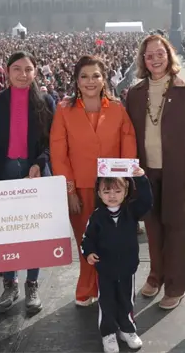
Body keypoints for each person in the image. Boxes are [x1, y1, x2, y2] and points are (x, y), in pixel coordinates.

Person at [124, 34, 185, 310]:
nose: (156, 59)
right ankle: (155, 277)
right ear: (143, 60)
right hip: (146, 173)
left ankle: (175, 285)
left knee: (176, 230)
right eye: (150, 55)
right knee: (153, 228)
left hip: (178, 174)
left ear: (169, 56)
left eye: (160, 53)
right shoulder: (135, 94)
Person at [50, 55, 137, 307]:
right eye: (84, 76)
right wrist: (69, 190)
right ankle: (87, 286)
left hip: (112, 189)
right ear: (76, 80)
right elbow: (58, 152)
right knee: (85, 241)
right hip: (80, 188)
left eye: (96, 76)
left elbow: (128, 145)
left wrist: (124, 183)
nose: (90, 81)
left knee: (113, 240)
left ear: (104, 78)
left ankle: (109, 286)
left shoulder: (118, 108)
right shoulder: (63, 109)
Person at [0, 51, 55, 315]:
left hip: (34, 169)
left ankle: (31, 284)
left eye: (28, 69)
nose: (23, 75)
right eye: (17, 69)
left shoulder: (45, 101)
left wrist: (40, 162)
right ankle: (9, 283)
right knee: (6, 231)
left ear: (35, 72)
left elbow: (50, 141)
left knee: (33, 231)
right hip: (5, 169)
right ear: (7, 72)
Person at [81, 170, 152, 353]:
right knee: (107, 303)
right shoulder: (96, 217)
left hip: (127, 269)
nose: (112, 196)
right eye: (106, 191)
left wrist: (141, 178)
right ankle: (108, 333)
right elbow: (87, 239)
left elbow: (146, 202)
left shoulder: (131, 212)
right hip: (105, 271)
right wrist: (89, 253)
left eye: (117, 191)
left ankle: (127, 330)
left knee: (126, 301)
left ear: (126, 191)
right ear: (99, 193)